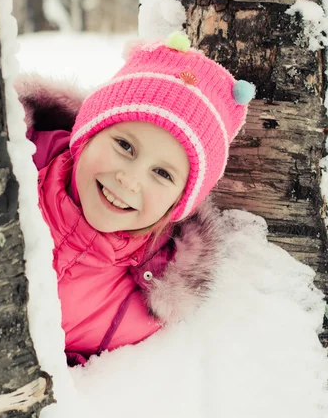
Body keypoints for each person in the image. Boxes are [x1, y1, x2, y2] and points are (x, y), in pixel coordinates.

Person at [15, 32, 255, 366]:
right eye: (124, 146)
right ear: (87, 134)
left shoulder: (138, 310)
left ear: (179, 204)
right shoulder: (14, 169)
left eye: (162, 174)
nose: (130, 180)